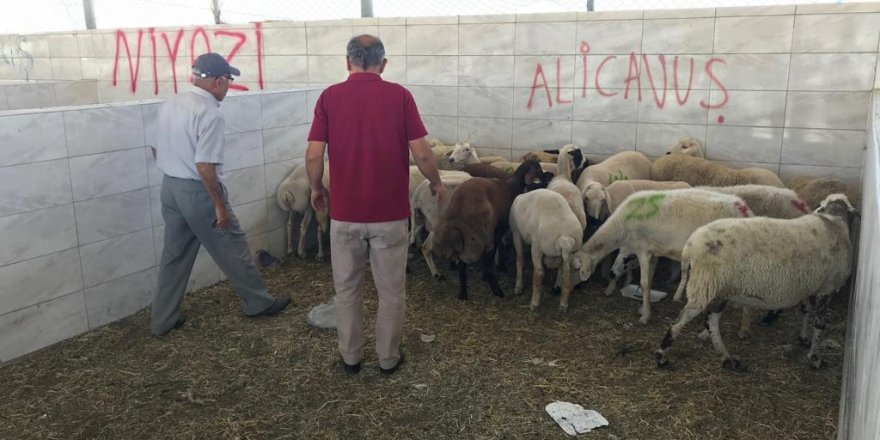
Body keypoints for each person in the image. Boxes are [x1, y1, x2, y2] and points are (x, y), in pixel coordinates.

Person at [306, 35, 446, 376]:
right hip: (389, 217)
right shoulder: (399, 96)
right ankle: (387, 359)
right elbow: (423, 152)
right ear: (383, 64)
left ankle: (350, 359)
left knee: (347, 290)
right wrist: (437, 182)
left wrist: (314, 187)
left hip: (344, 216)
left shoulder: (329, 97)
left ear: (347, 62)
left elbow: (313, 153)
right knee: (391, 292)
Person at [150, 52, 290, 337]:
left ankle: (162, 320)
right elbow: (204, 165)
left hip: (171, 187)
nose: (228, 85)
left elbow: (155, 148)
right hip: (198, 191)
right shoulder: (209, 113)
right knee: (232, 244)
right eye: (228, 79)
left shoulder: (172, 103)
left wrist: (175, 168)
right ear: (216, 81)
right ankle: (259, 302)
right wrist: (218, 204)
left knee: (174, 254)